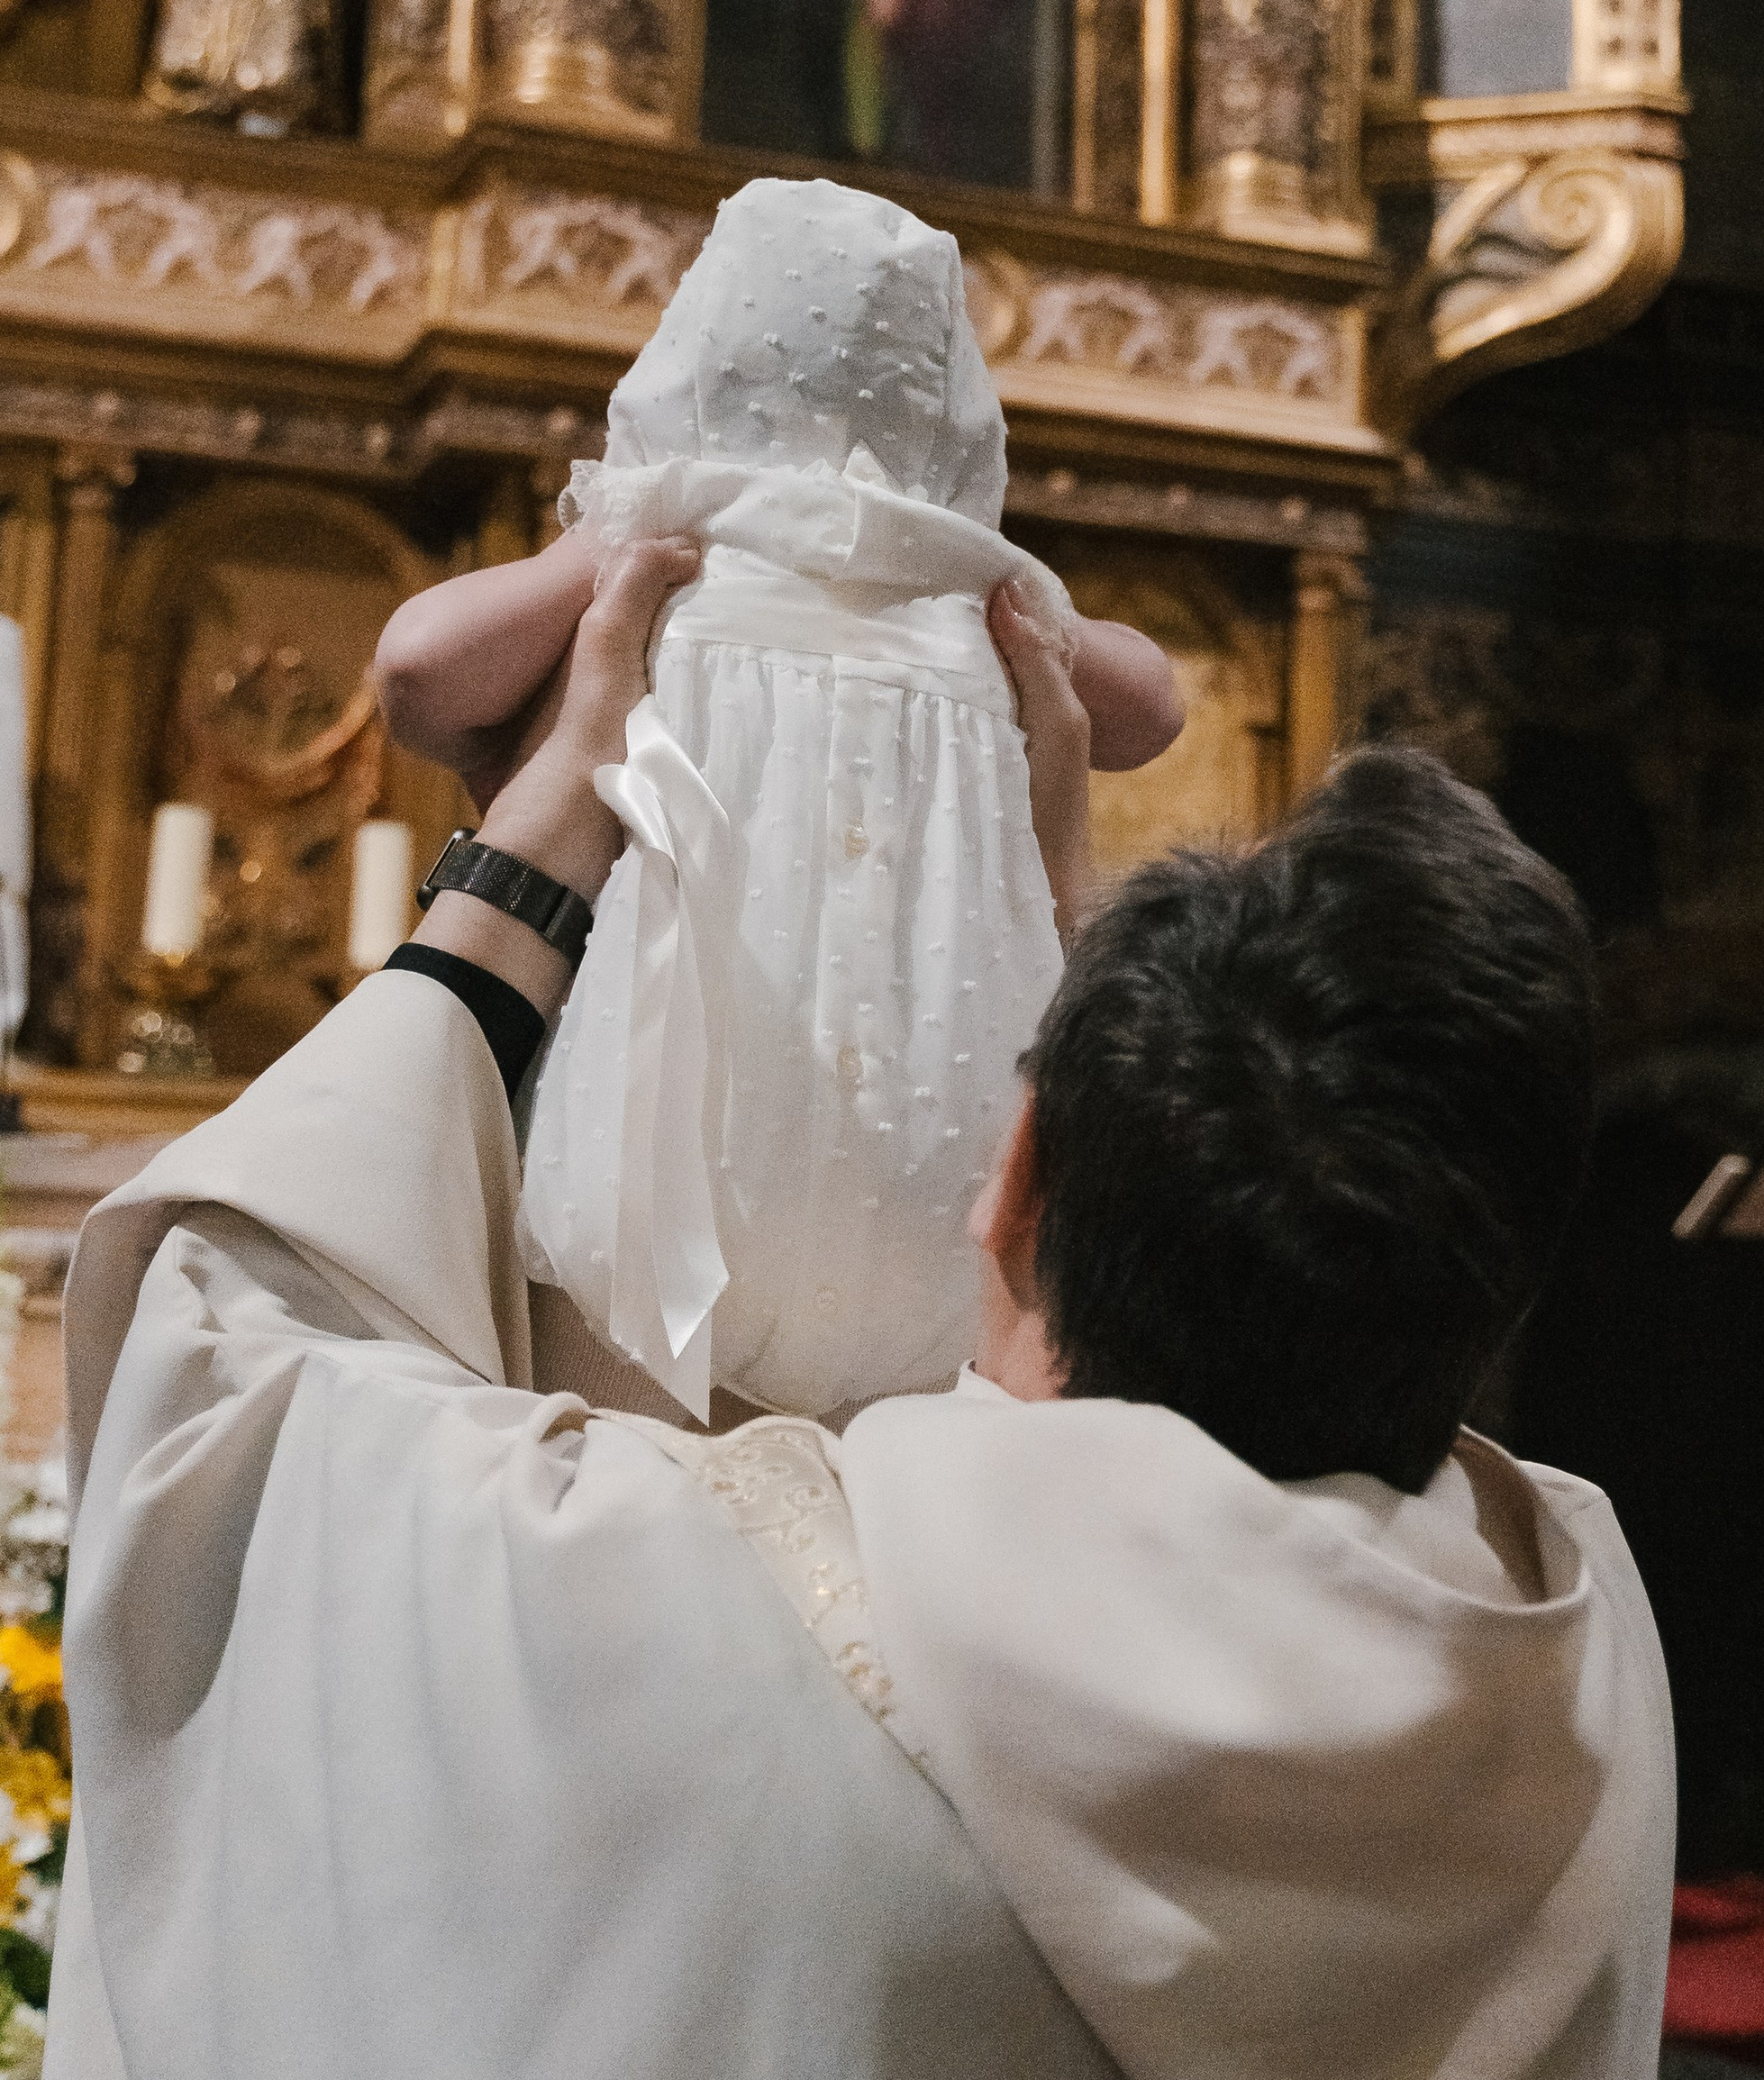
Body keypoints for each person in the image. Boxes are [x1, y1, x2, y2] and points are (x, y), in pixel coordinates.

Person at [18, 539, 1674, 2080]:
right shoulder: (1580, 1656)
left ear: (1013, 1181)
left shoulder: (714, 1636)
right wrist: (1045, 1001)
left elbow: (229, 1363)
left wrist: (528, 855)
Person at [377, 177, 1183, 1421]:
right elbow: (1157, 706)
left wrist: (604, 561)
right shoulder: (968, 590)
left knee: (642, 1507)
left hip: (665, 1181)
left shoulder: (667, 534)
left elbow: (421, 672)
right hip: (940, 1187)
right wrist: (1004, 603)